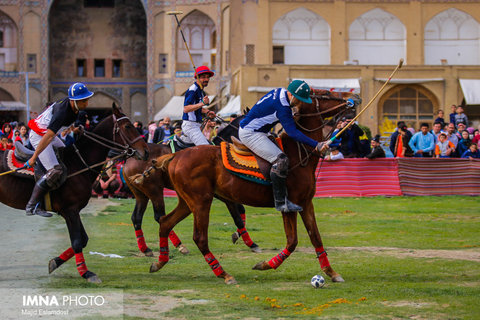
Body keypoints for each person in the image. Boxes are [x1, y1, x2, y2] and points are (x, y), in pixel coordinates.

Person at [239, 79, 324, 213]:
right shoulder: (283, 107)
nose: (300, 103)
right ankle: (280, 202)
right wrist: (316, 144)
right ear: (292, 95)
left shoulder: (280, 91)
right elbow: (293, 133)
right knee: (281, 160)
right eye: (299, 99)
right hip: (251, 134)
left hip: (259, 131)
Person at [25, 82, 94, 217]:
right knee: (55, 170)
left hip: (47, 134)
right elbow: (48, 137)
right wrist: (33, 158)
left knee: (67, 152)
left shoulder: (75, 108)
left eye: (86, 99)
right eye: (84, 100)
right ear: (75, 101)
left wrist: (74, 129)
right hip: (39, 136)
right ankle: (32, 205)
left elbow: (63, 128)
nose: (87, 102)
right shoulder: (62, 112)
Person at [181, 66, 216, 146]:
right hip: (190, 126)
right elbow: (186, 109)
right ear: (197, 78)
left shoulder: (200, 90)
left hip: (197, 125)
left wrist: (207, 111)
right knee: (206, 149)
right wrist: (202, 103)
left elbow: (196, 108)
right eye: (203, 77)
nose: (206, 80)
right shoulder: (193, 90)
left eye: (208, 77)